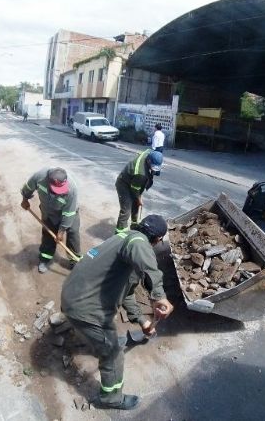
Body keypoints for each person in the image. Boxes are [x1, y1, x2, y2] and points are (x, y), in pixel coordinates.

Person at [61, 215, 174, 410]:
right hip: (84, 308)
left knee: (106, 339)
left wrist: (143, 322)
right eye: (158, 242)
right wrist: (159, 295)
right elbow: (143, 253)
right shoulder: (136, 241)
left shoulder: (122, 241)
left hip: (72, 296)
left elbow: (127, 294)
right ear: (156, 240)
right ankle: (111, 399)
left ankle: (97, 339)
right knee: (113, 354)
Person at [20, 167, 81, 273]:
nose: (58, 193)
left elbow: (69, 213)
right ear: (48, 181)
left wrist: (61, 232)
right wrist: (25, 200)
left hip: (70, 212)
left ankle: (75, 260)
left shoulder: (72, 190)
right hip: (49, 211)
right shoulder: (39, 177)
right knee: (48, 233)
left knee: (73, 234)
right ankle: (45, 258)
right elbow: (28, 188)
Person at [114, 149, 163, 233]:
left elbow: (136, 188)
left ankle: (134, 225)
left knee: (136, 204)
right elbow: (135, 189)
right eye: (153, 166)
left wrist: (138, 199)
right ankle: (119, 233)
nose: (154, 169)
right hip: (123, 184)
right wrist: (139, 198)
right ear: (148, 160)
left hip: (134, 181)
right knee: (126, 210)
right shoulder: (141, 173)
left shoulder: (149, 152)